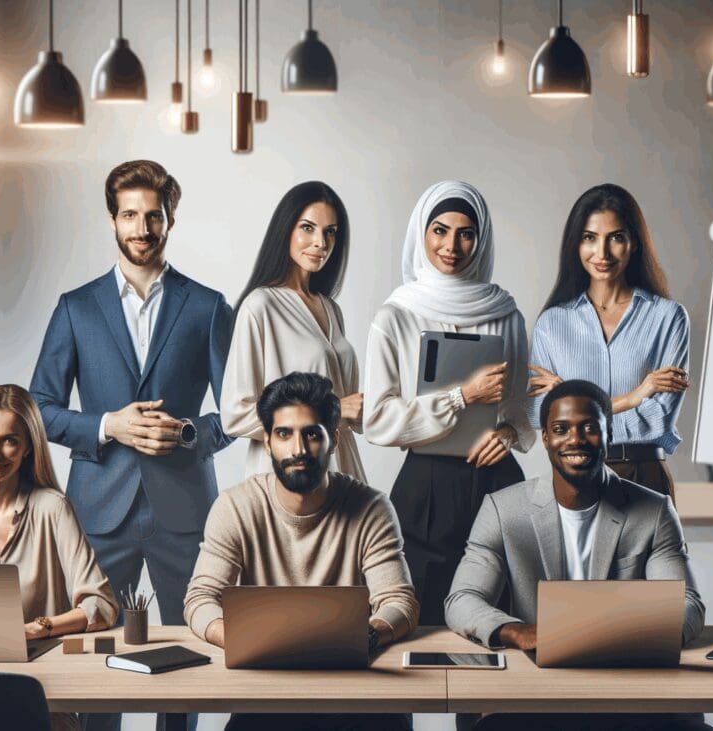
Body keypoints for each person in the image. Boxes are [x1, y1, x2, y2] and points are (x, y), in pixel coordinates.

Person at [30, 159, 233, 731]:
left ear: (171, 219)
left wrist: (190, 433)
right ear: (111, 220)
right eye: (129, 216)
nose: (141, 228)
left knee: (189, 656)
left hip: (185, 509)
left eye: (153, 216)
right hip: (99, 508)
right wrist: (107, 426)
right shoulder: (76, 306)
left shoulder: (208, 305)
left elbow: (241, 411)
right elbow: (39, 407)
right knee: (98, 653)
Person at [446, 380, 710, 731]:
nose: (575, 440)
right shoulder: (502, 509)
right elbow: (462, 600)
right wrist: (518, 632)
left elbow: (688, 604)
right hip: (535, 695)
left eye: (589, 428)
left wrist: (611, 636)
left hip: (630, 695)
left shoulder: (654, 510)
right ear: (544, 438)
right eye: (560, 429)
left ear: (609, 433)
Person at [185, 372, 418, 731]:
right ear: (267, 442)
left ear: (334, 439)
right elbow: (200, 599)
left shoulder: (372, 507)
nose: (297, 449)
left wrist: (369, 633)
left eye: (312, 434)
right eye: (284, 434)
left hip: (357, 699)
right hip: (266, 697)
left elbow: (400, 601)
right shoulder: (234, 507)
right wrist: (238, 638)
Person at [363, 180, 534, 626]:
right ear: (421, 233)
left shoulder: (505, 313)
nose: (452, 246)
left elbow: (519, 410)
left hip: (495, 480)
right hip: (427, 485)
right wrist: (463, 396)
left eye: (465, 233)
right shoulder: (395, 316)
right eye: (439, 230)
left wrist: (508, 433)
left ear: (481, 240)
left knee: (504, 616)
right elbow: (379, 421)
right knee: (417, 617)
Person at [0, 384, 118, 731]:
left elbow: (100, 605)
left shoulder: (52, 508)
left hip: (42, 689)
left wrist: (37, 629)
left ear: (28, 448)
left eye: (9, 440)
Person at [527, 184, 690, 501]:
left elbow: (657, 421)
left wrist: (571, 399)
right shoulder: (552, 323)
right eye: (589, 238)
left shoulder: (668, 318)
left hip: (645, 476)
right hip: (574, 479)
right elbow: (540, 416)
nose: (601, 253)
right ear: (576, 243)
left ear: (634, 243)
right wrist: (634, 398)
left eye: (615, 237)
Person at [222, 181, 366, 481]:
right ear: (285, 229)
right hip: (289, 474)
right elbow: (235, 414)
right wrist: (333, 409)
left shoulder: (331, 309)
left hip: (342, 467)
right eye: (308, 228)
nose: (320, 243)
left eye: (330, 232)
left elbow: (348, 404)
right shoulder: (260, 306)